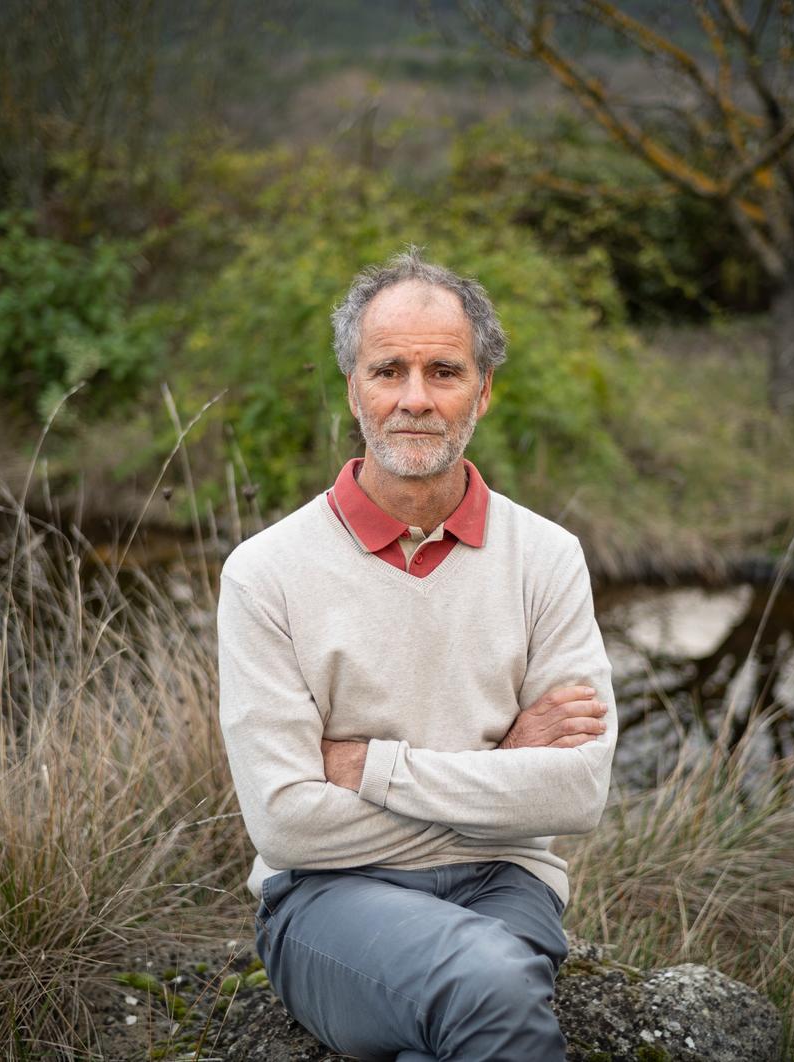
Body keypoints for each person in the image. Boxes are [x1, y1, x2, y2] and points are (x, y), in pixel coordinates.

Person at [217, 248, 617, 1061]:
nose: (415, 399)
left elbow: (577, 791)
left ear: (485, 390)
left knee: (458, 1027)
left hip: (507, 887)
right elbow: (286, 824)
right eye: (388, 369)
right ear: (353, 388)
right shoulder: (264, 573)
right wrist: (503, 772)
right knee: (493, 985)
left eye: (444, 371)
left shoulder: (548, 556)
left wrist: (369, 769)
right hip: (328, 901)